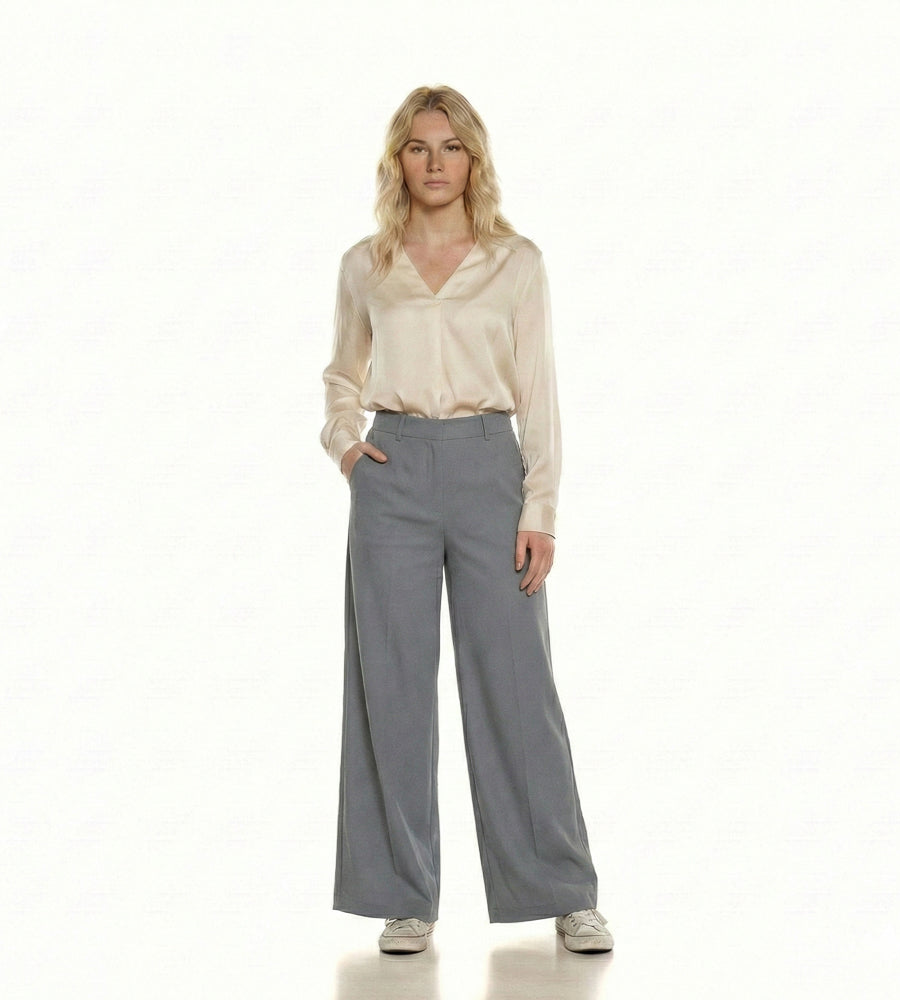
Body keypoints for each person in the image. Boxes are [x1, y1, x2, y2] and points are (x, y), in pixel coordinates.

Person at [320, 85, 613, 957]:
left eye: (450, 146)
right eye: (418, 147)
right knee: (390, 687)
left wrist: (541, 508)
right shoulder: (366, 265)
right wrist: (347, 447)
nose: (435, 162)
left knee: (519, 685)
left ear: (473, 158)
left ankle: (564, 889)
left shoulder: (515, 262)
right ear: (398, 161)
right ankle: (402, 894)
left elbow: (540, 392)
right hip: (394, 470)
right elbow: (341, 375)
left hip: (491, 469)